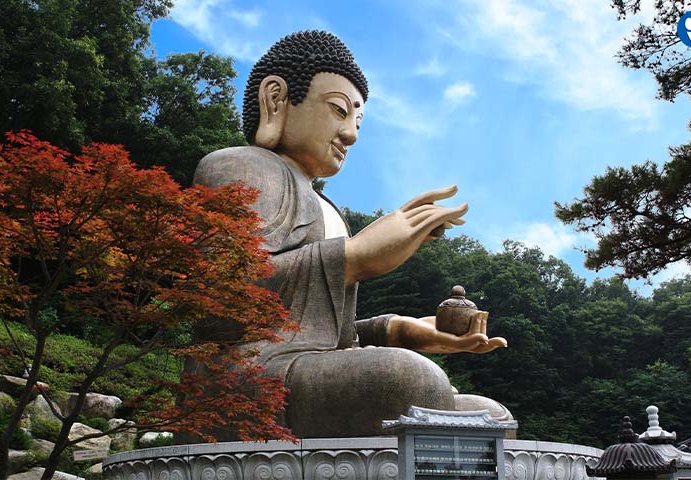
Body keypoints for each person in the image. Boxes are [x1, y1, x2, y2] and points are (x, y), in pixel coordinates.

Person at [189, 30, 508, 439]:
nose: (351, 135)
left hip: (309, 373)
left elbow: (332, 335)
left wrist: (401, 330)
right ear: (275, 99)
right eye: (339, 111)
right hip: (247, 375)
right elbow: (223, 303)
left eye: (357, 120)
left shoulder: (327, 207)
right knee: (409, 380)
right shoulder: (236, 166)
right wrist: (354, 258)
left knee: (492, 415)